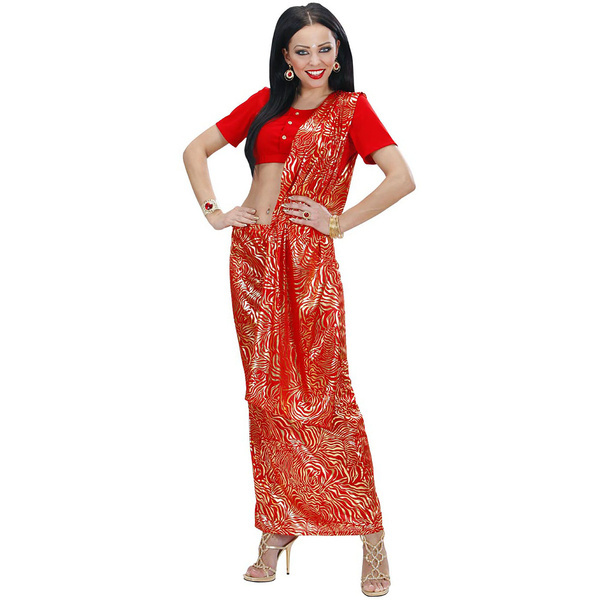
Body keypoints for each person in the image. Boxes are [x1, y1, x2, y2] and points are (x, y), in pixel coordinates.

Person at [183, 3, 415, 596]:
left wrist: (338, 222)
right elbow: (194, 151)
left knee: (325, 390)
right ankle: (278, 526)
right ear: (285, 57)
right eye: (303, 50)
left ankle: (369, 532)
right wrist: (215, 212)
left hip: (309, 261)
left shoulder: (352, 109)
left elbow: (401, 178)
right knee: (266, 394)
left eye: (325, 48)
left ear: (338, 52)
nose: (316, 60)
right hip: (252, 259)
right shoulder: (265, 103)